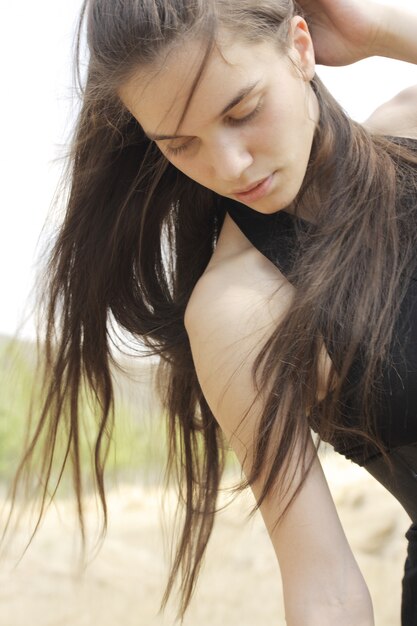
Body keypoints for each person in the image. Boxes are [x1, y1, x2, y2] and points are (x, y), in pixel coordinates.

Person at [8, 0, 417, 624]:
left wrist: (384, 28)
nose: (228, 167)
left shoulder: (410, 125)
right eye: (180, 145)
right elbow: (326, 589)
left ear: (300, 47)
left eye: (242, 111)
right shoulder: (241, 312)